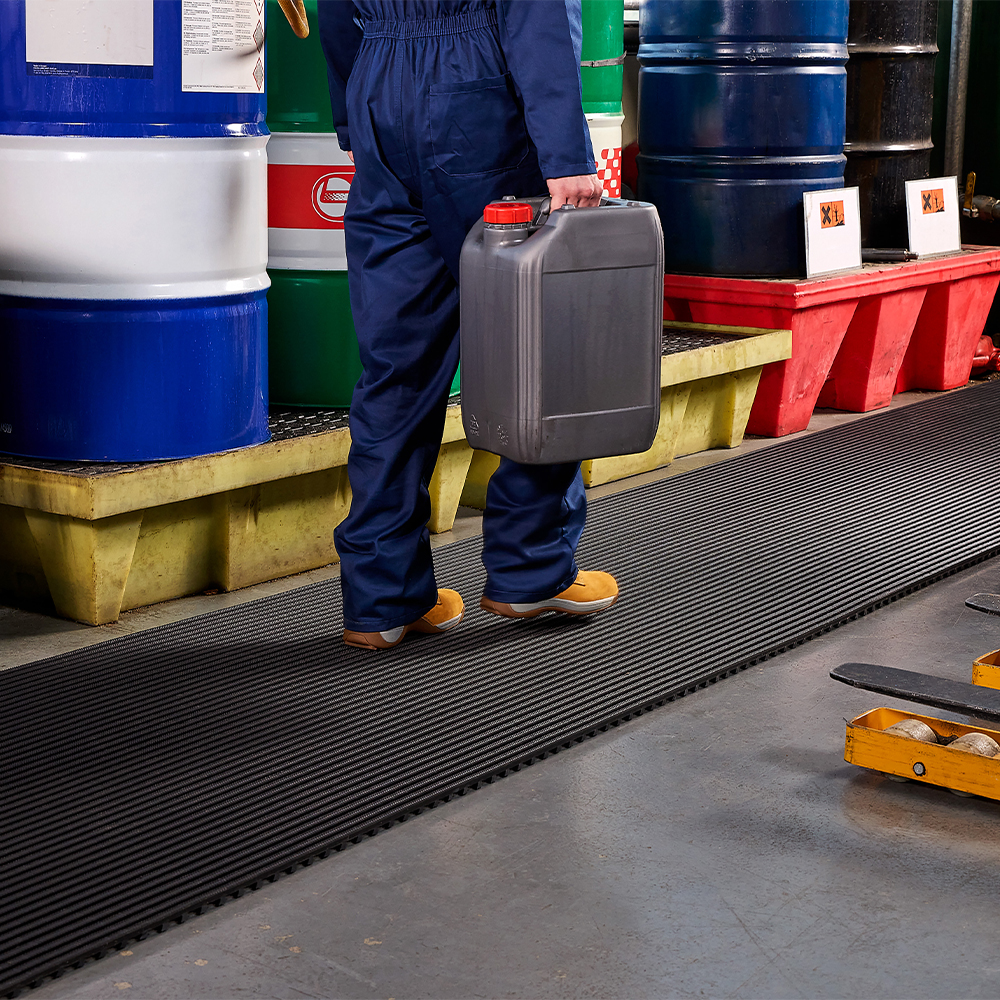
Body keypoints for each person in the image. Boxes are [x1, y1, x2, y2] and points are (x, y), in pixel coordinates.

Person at [318, 0, 620, 650]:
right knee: (540, 341)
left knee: (397, 363)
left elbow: (337, 9)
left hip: (382, 90)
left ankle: (381, 597)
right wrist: (566, 154)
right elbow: (535, 13)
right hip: (479, 100)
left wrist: (355, 110)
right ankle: (530, 568)